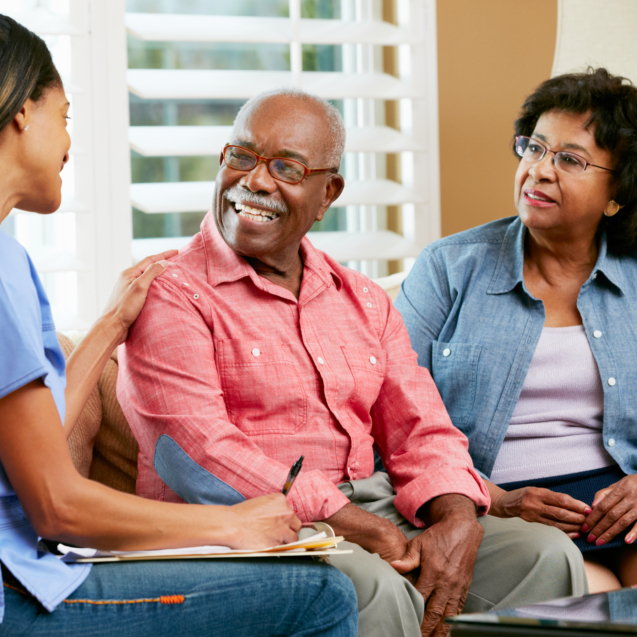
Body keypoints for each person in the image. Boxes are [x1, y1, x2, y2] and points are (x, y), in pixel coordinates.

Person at [118, 86, 588, 637]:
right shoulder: (172, 293)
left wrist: (457, 517)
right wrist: (362, 527)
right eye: (241, 157)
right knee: (372, 584)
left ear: (327, 193)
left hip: (370, 508)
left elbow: (423, 429)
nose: (256, 180)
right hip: (248, 529)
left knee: (544, 556)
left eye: (287, 168)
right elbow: (197, 455)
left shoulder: (361, 298)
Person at [0, 15, 359, 636]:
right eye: (65, 116)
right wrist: (230, 523)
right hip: (17, 595)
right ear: (22, 111)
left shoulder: (10, 257)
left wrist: (112, 323)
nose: (68, 143)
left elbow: (33, 453)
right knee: (319, 595)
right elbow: (56, 504)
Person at [396, 67, 637, 594]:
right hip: (494, 501)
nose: (539, 171)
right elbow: (390, 417)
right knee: (593, 595)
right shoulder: (448, 268)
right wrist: (493, 497)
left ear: (616, 194)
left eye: (569, 159)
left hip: (615, 503)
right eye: (533, 148)